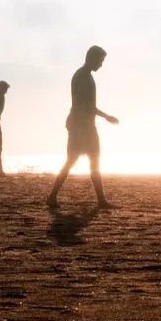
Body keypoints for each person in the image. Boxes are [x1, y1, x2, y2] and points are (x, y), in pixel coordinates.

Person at [47, 46, 119, 210]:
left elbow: (84, 105)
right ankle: (99, 200)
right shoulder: (84, 78)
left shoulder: (81, 75)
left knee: (81, 160)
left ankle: (54, 196)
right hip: (82, 126)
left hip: (81, 124)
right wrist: (106, 116)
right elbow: (85, 106)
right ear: (92, 58)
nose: (101, 65)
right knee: (81, 160)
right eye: (100, 61)